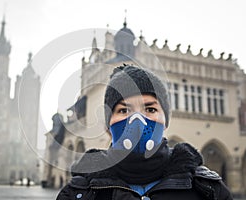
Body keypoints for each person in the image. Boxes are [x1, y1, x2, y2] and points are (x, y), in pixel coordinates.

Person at [56, 64, 233, 200]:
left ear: (166, 121)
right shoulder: (78, 193)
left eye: (150, 109)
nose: (137, 120)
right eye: (124, 111)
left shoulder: (207, 190)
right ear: (107, 125)